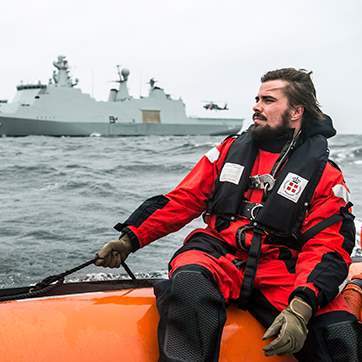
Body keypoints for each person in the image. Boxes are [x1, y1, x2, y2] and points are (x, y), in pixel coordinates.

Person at [95, 68, 360, 361]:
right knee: (190, 283)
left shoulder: (325, 175)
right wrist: (131, 238)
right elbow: (183, 199)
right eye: (257, 98)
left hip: (282, 265)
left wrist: (302, 304)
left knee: (340, 336)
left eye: (268, 100)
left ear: (296, 111)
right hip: (219, 252)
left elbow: (327, 244)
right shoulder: (228, 151)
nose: (256, 106)